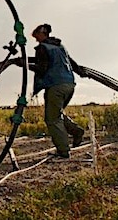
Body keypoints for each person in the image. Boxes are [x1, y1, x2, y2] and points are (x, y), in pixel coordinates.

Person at [29, 24, 86, 159]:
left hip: (56, 86)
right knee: (56, 112)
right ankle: (76, 131)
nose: (36, 39)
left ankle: (63, 151)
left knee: (52, 118)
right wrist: (80, 72)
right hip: (69, 84)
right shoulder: (59, 46)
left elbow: (42, 68)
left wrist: (25, 65)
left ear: (42, 34)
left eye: (36, 35)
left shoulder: (43, 48)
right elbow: (71, 63)